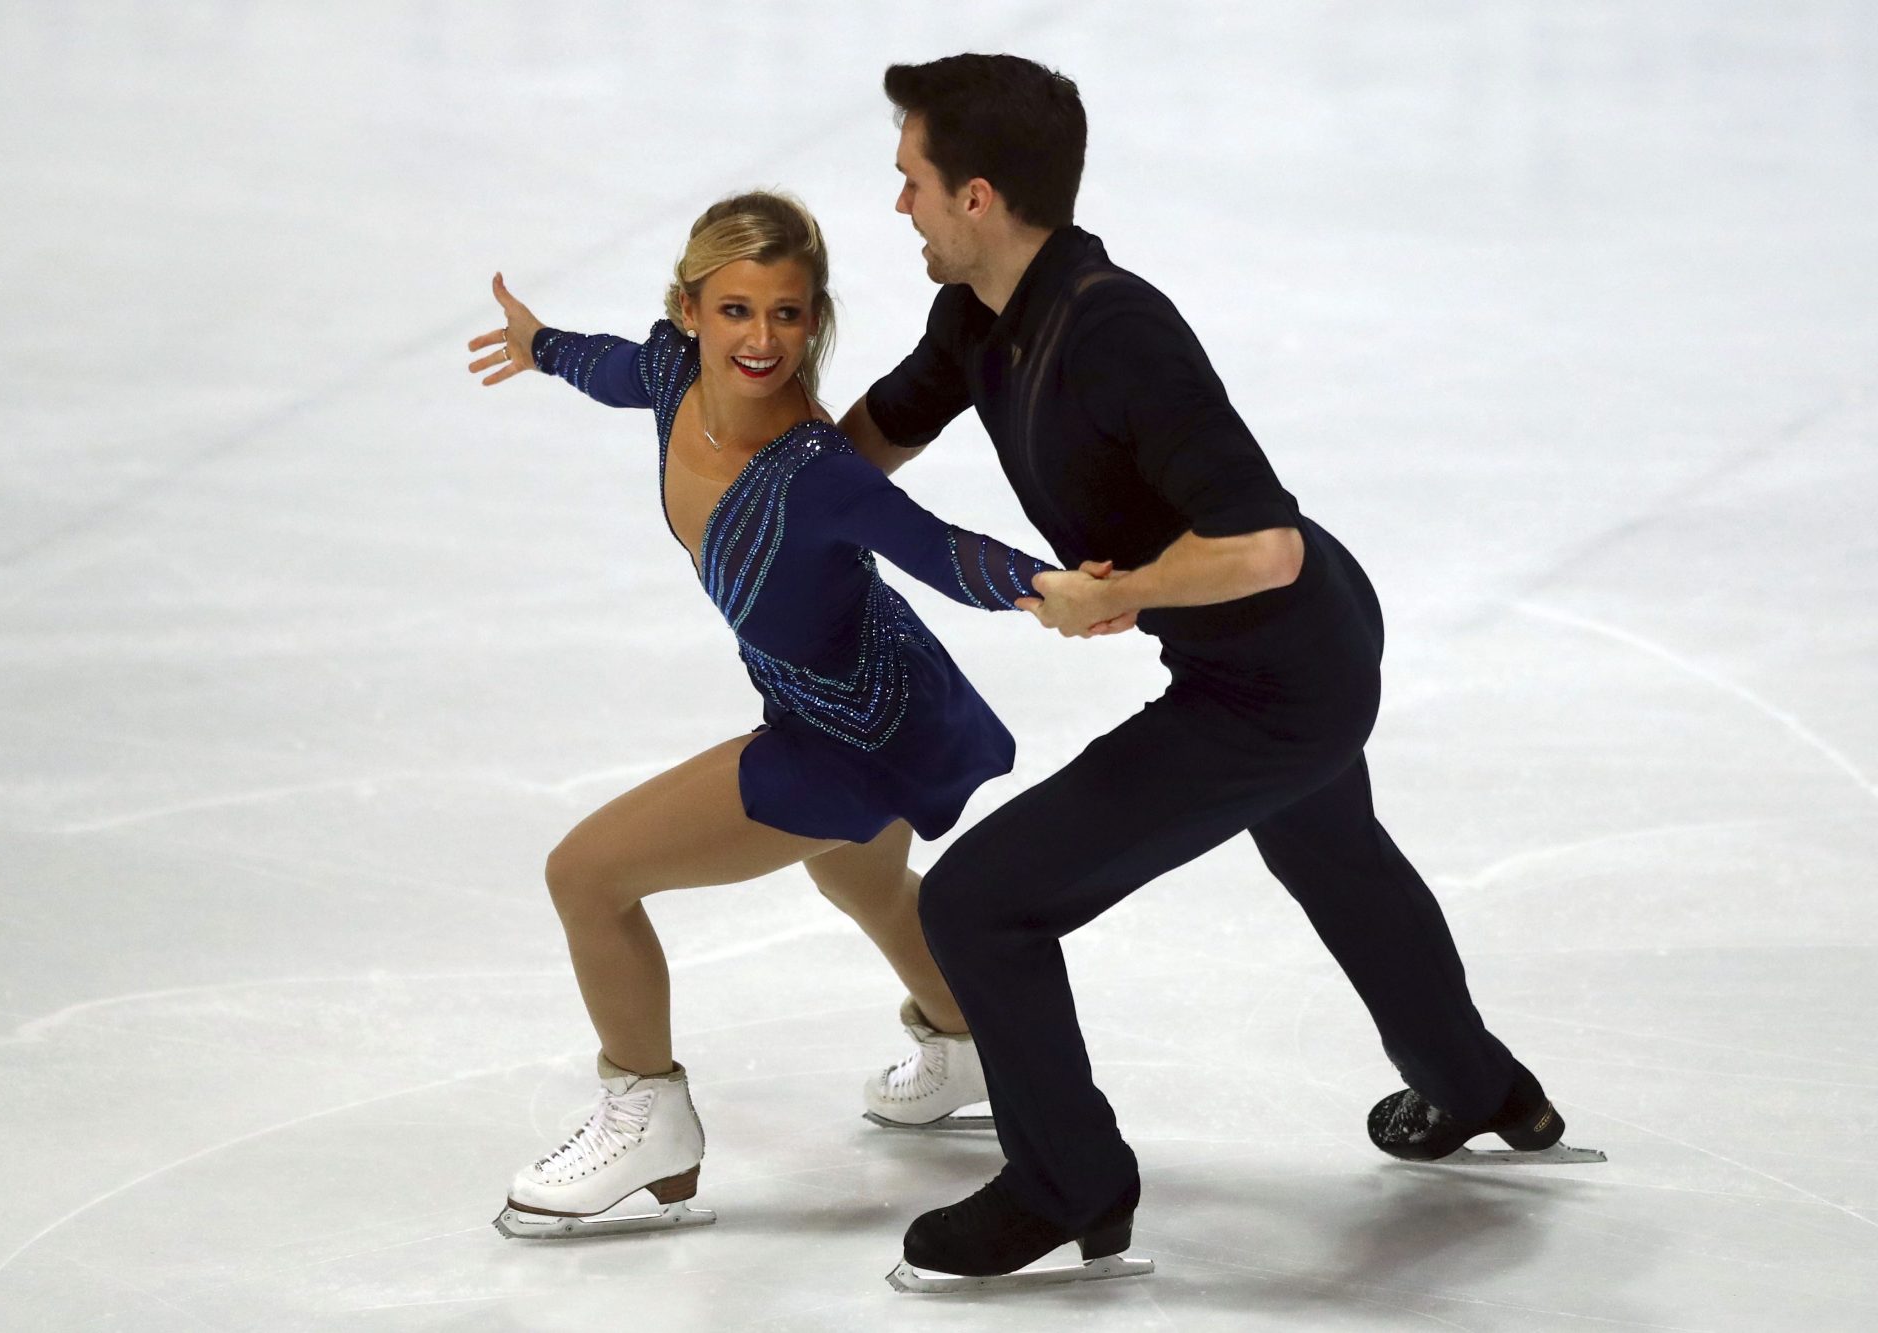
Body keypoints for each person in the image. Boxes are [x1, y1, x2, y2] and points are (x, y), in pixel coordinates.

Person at [834, 54, 1590, 1285]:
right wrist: (747, 457)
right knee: (1330, 853)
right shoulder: (976, 313)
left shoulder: (1115, 329)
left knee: (980, 900)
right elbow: (873, 440)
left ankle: (1065, 1182)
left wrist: (1120, 591)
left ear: (977, 196)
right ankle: (1478, 1088)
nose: (898, 204)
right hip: (1290, 646)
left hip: (1280, 673)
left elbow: (1261, 545)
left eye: (910, 179)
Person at [463, 190, 1075, 1238]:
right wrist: (540, 344)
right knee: (858, 873)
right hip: (862, 688)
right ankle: (969, 1037)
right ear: (691, 310)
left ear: (813, 320)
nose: (761, 339)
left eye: (787, 314)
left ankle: (647, 1114)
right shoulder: (669, 375)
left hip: (850, 728)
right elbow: (610, 365)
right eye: (737, 310)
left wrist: (1061, 590)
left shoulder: (817, 473)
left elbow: (938, 549)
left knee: (587, 873)